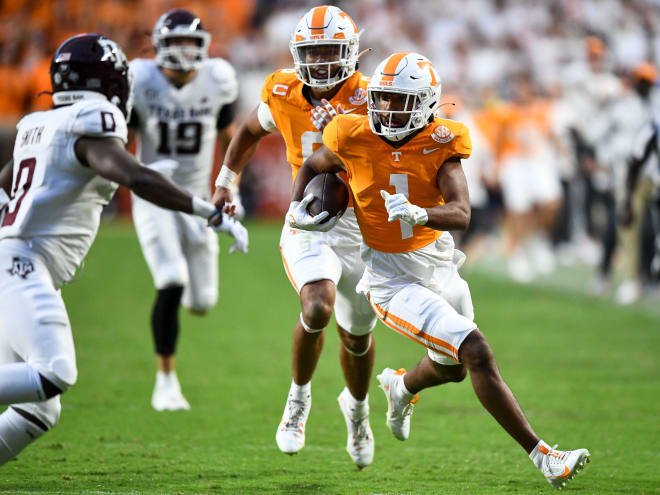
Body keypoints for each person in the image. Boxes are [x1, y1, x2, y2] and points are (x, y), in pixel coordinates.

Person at [289, 51, 590, 489]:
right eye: (383, 98)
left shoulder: (442, 140)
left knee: (453, 367)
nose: (387, 109)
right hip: (390, 279)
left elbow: (462, 212)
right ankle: (544, 457)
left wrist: (421, 214)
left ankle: (402, 387)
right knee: (476, 349)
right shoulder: (350, 133)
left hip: (439, 264)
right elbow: (314, 165)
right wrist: (299, 205)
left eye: (399, 101)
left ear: (427, 103)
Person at [0, 34, 246, 466]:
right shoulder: (90, 122)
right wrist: (209, 211)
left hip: (18, 264)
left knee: (39, 410)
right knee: (54, 371)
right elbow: (135, 178)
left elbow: (4, 189)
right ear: (103, 82)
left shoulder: (38, 126)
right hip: (24, 262)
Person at [212, 5, 377, 468]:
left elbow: (388, 165)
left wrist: (344, 134)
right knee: (319, 305)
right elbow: (248, 130)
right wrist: (227, 179)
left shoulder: (370, 97)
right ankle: (298, 399)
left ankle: (358, 411)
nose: (322, 63)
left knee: (357, 338)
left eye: (331, 52)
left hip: (361, 228)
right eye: (314, 52)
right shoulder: (283, 90)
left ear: (350, 53)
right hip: (307, 217)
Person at [128, 9, 244, 411]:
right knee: (171, 278)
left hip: (198, 199)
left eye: (190, 42)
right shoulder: (139, 80)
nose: (183, 50)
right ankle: (165, 381)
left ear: (204, 46)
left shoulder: (218, 78)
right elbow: (119, 138)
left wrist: (231, 189)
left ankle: (168, 366)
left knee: (202, 302)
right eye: (175, 41)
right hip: (154, 194)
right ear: (159, 45)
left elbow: (232, 138)